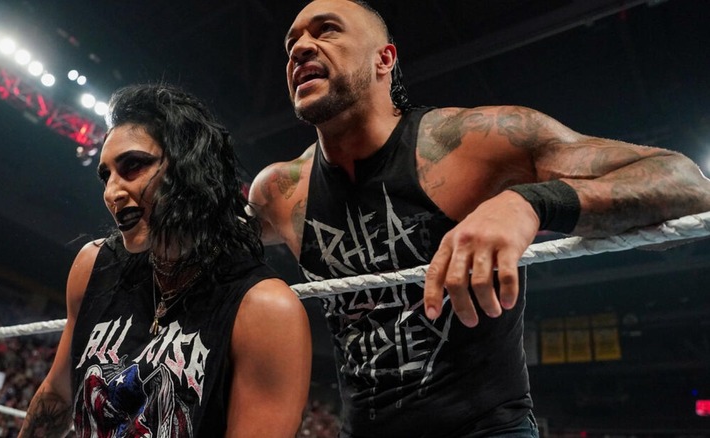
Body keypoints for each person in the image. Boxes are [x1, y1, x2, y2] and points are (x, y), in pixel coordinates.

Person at [248, 0, 710, 436]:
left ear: (383, 59)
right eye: (291, 43)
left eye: (326, 29)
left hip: (487, 428)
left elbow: (687, 187)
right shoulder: (280, 191)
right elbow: (194, 249)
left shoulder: (472, 144)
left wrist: (528, 202)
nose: (301, 47)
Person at [20, 83, 312, 437]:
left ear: (191, 166)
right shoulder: (94, 266)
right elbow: (56, 396)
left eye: (133, 166)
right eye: (106, 175)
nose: (112, 192)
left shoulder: (266, 310)